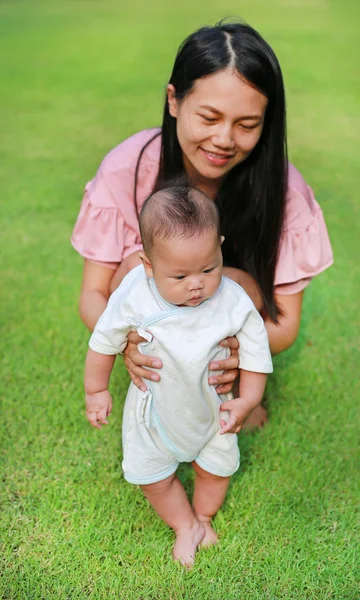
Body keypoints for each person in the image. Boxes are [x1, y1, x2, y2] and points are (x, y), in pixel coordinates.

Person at [72, 21, 333, 425]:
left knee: (239, 284)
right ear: (174, 101)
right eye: (209, 117)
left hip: (223, 339)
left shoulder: (285, 192)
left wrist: (235, 353)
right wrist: (126, 343)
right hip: (153, 332)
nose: (225, 140)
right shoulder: (128, 168)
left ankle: (224, 392)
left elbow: (284, 322)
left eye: (247, 125)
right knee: (131, 269)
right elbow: (93, 293)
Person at [85, 182, 273, 566]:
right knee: (153, 478)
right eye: (180, 276)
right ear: (149, 266)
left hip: (212, 408)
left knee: (216, 471)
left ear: (220, 246)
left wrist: (248, 398)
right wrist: (96, 391)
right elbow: (103, 340)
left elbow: (256, 350)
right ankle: (184, 523)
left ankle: (203, 517)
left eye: (208, 268)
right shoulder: (135, 293)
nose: (197, 284)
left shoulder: (231, 299)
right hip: (153, 411)